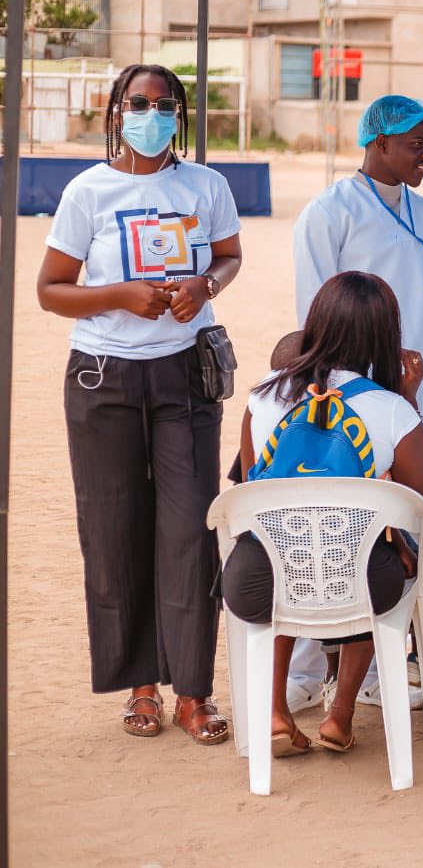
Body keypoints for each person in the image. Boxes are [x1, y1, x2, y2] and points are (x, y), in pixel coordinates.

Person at [38, 63, 241, 746]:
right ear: (116, 111)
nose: (151, 115)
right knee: (115, 533)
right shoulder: (87, 190)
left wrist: (206, 285)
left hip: (184, 377)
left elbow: (229, 255)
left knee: (189, 533)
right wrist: (119, 296)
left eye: (165, 104)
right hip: (104, 378)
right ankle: (142, 687)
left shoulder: (205, 185)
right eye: (139, 103)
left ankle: (194, 693)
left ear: (179, 114)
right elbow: (51, 290)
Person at [223, 272, 423, 756]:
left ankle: (275, 711)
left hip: (256, 584)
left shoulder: (263, 396)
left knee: (283, 547)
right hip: (358, 589)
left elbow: (250, 488)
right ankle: (340, 716)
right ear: (385, 336)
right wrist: (408, 399)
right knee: (381, 555)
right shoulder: (390, 408)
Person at [294, 94, 423, 441]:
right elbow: (311, 308)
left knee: (420, 475)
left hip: (418, 382)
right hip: (353, 385)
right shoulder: (331, 211)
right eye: (417, 144)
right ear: (382, 142)